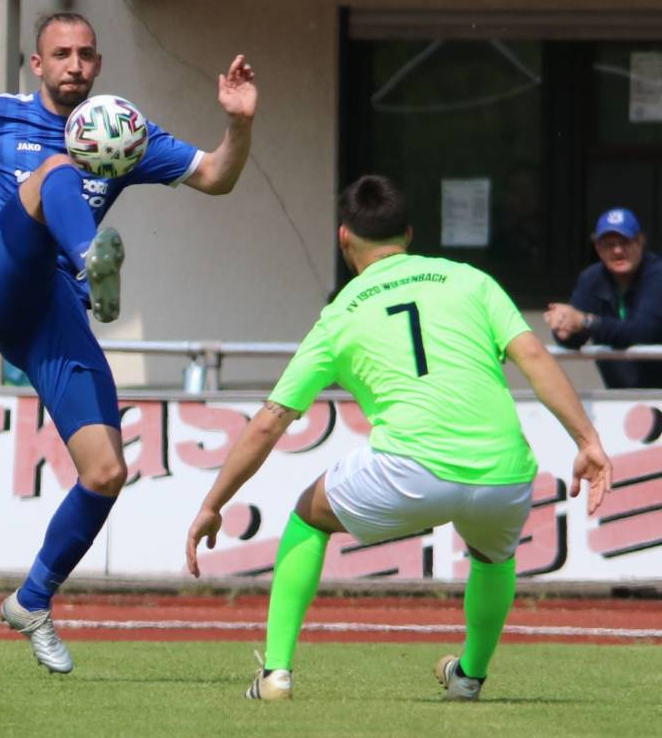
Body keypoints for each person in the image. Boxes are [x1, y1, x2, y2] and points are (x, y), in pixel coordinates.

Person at [0, 11, 256, 673]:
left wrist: (240, 124)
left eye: (85, 54)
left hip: (53, 310)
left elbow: (217, 175)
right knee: (53, 171)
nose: (74, 63)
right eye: (60, 54)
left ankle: (32, 598)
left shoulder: (120, 131)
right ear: (37, 65)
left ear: (98, 65)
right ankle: (90, 255)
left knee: (107, 470)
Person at [186, 175, 612, 701]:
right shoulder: (468, 280)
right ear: (408, 234)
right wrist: (587, 440)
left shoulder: (339, 315)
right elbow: (535, 358)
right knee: (493, 557)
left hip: (409, 471)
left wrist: (214, 502)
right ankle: (469, 677)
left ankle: (276, 673)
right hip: (505, 473)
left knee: (308, 515)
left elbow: (271, 420)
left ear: (344, 237)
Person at [546, 207, 662, 388]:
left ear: (640, 242)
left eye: (625, 242)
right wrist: (563, 327)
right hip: (619, 397)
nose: (617, 251)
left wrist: (586, 323)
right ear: (598, 248)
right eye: (609, 244)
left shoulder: (657, 274)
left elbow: (644, 332)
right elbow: (576, 336)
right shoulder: (591, 279)